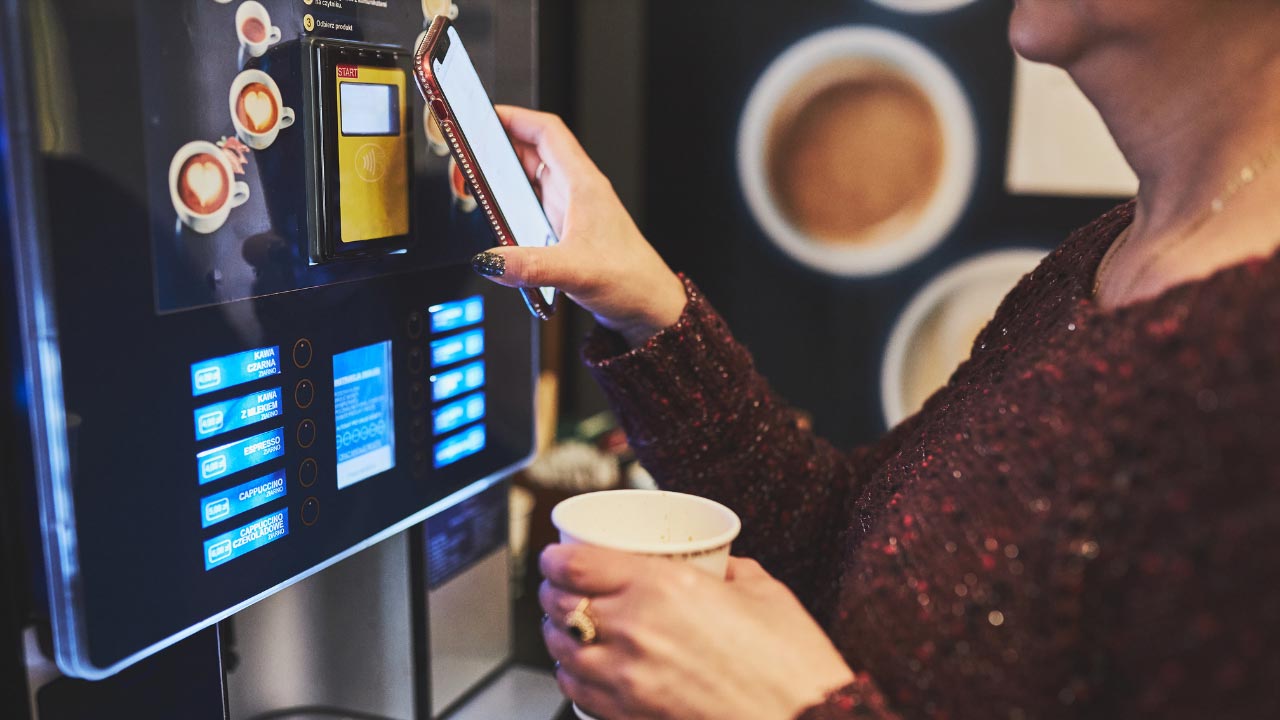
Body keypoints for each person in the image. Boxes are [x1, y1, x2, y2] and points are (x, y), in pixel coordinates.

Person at [475, 1, 1280, 717]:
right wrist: (645, 303)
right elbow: (845, 542)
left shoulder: (1252, 349)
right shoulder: (1113, 246)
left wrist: (792, 709)